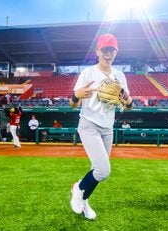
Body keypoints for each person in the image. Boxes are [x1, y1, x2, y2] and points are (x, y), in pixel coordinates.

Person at [69, 33, 133, 220]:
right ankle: (78, 188)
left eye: (111, 50)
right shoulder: (88, 73)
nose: (107, 54)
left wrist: (127, 99)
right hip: (89, 124)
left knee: (95, 169)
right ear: (97, 51)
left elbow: (128, 107)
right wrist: (77, 95)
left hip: (107, 128)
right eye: (104, 50)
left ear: (116, 52)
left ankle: (84, 200)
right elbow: (72, 105)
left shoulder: (119, 76)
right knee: (103, 171)